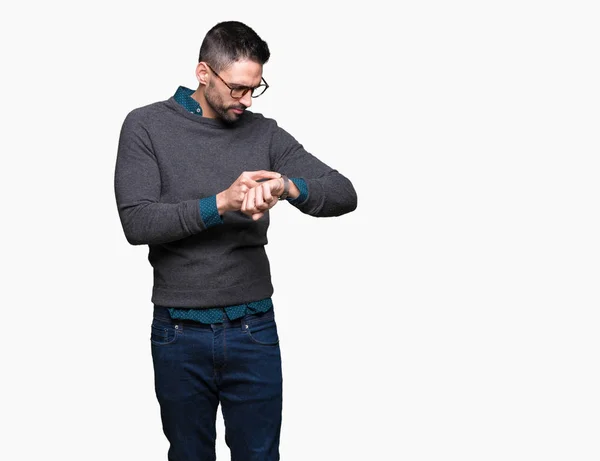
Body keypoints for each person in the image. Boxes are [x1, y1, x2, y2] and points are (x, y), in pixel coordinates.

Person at [114, 20, 357, 461]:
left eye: (255, 88)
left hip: (253, 328)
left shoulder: (264, 133)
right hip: (178, 331)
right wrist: (221, 205)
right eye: (238, 89)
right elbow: (138, 221)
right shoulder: (145, 126)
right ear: (203, 72)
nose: (246, 100)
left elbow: (343, 192)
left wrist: (287, 186)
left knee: (260, 455)